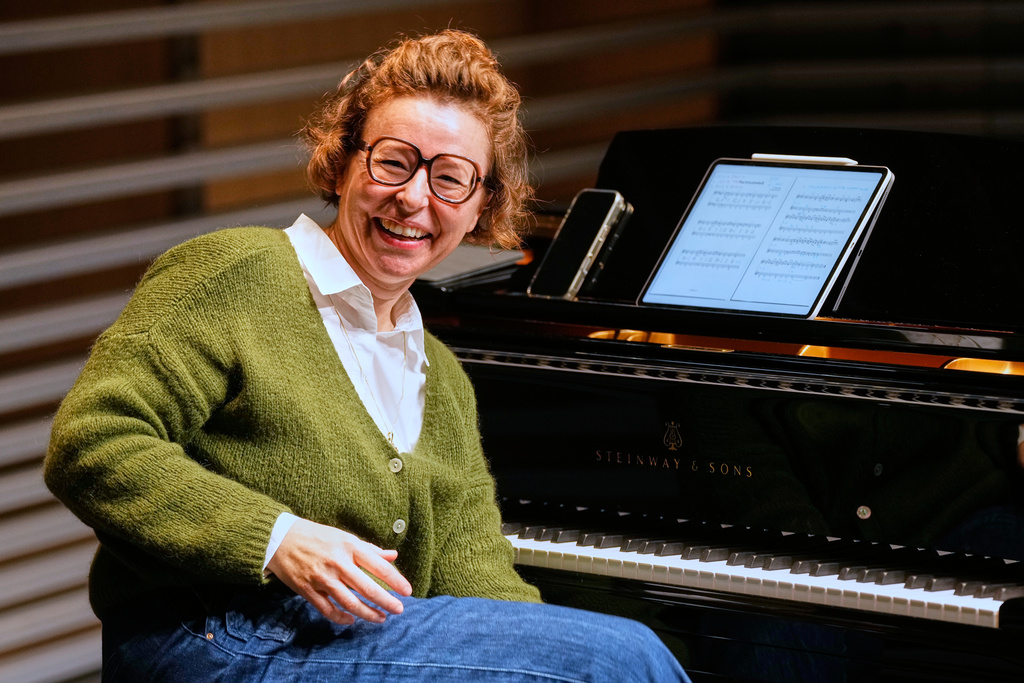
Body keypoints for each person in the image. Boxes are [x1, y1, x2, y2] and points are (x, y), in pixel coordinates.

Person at [44, 30, 690, 682]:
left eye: (451, 178)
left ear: (481, 207)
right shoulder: (237, 271)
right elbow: (93, 442)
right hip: (208, 633)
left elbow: (478, 580)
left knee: (608, 657)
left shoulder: (442, 379)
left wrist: (547, 648)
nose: (414, 197)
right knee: (622, 657)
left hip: (348, 640)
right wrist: (279, 538)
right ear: (344, 162)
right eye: (393, 161)